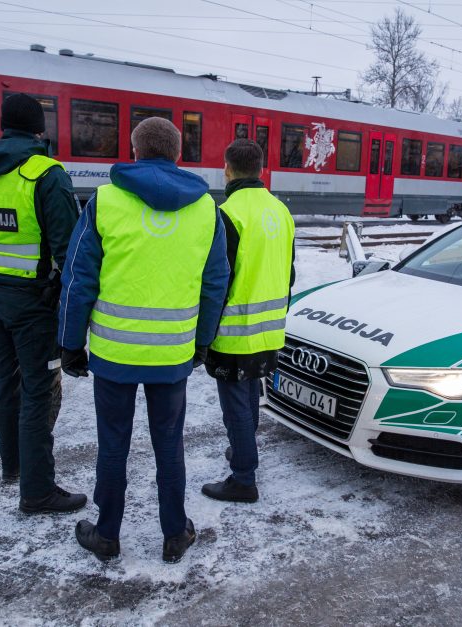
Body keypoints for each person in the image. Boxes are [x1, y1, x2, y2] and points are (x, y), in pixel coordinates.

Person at [58, 117, 229, 564]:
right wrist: (203, 342)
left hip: (114, 355)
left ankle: (107, 535)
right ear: (177, 153)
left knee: (113, 444)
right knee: (169, 444)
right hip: (172, 354)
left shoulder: (106, 200)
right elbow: (216, 282)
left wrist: (70, 343)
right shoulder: (206, 208)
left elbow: (79, 279)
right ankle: (175, 533)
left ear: (134, 150)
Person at [0, 93, 86, 515]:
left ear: (3, 125)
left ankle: (14, 469)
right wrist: (68, 316)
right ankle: (38, 490)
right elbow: (70, 253)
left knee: (6, 381)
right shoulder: (44, 174)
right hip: (32, 304)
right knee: (38, 390)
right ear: (39, 130)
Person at [201, 139, 296, 504]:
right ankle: (244, 452)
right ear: (261, 170)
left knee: (235, 404)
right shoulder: (281, 212)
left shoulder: (227, 213)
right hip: (270, 330)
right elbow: (288, 275)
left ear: (227, 170)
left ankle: (243, 478)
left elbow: (217, 283)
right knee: (251, 391)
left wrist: (205, 334)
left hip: (234, 332)